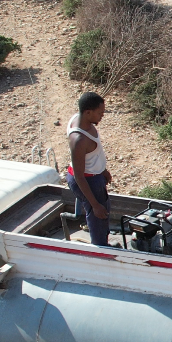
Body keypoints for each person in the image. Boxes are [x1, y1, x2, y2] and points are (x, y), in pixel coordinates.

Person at [66, 92, 113, 248]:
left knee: (101, 211)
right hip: (88, 180)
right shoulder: (79, 139)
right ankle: (100, 250)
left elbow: (93, 155)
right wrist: (95, 204)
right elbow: (79, 176)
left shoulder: (79, 119)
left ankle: (101, 240)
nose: (102, 116)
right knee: (98, 216)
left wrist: (102, 170)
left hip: (94, 175)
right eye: (100, 113)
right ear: (87, 113)